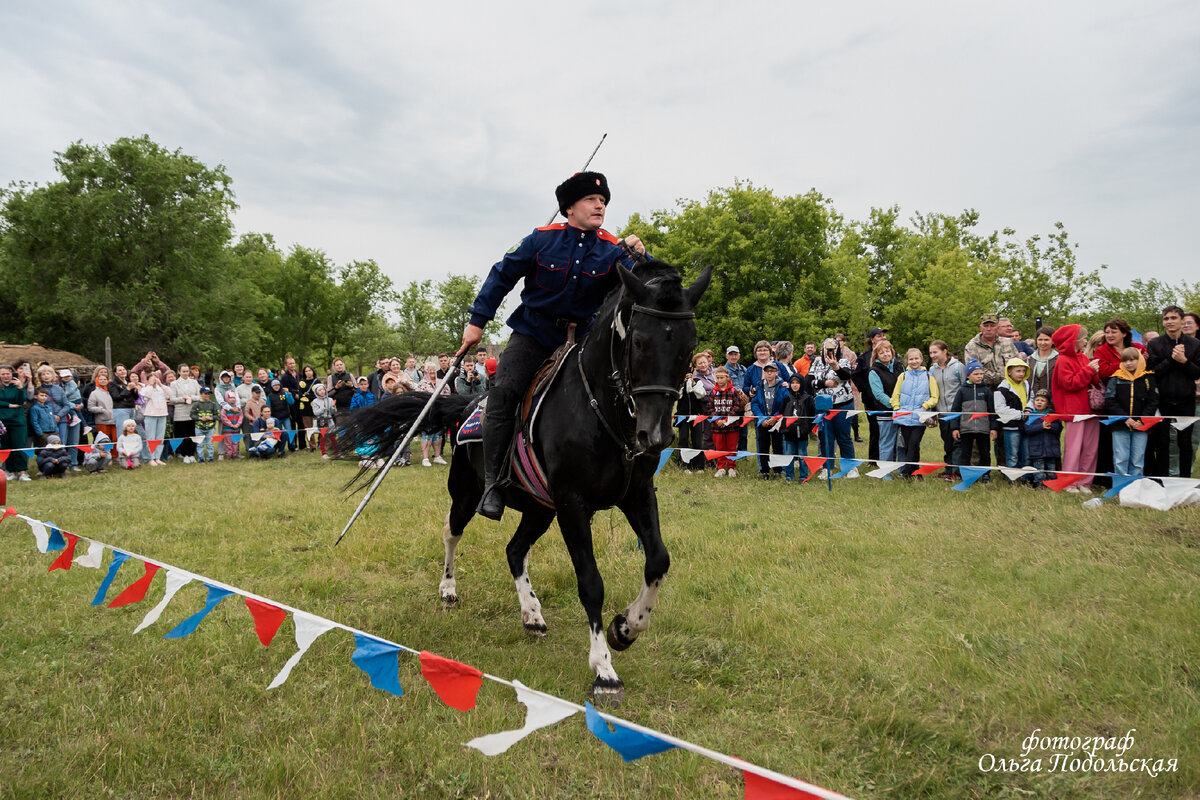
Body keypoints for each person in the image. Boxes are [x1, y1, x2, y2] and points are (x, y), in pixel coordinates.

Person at [459, 171, 645, 520]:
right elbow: (502, 275)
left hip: (584, 341)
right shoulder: (541, 240)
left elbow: (641, 287)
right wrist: (476, 322)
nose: (599, 205)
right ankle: (493, 484)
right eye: (591, 200)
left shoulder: (612, 249)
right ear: (569, 207)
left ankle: (623, 475)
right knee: (504, 393)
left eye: (603, 201)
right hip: (533, 335)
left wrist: (640, 256)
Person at [1144, 305, 1200, 478]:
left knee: (1185, 441)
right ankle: (1163, 478)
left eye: (1173, 318)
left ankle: (1184, 479)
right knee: (1162, 442)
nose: (1169, 322)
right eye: (1166, 318)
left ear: (1182, 321)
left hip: (1186, 400)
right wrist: (1171, 360)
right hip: (1163, 400)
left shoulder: (1195, 344)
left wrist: (1184, 361)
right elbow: (1151, 372)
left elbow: (1198, 372)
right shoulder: (1155, 343)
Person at [1051, 324, 1101, 492]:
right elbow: (1069, 384)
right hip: (1074, 411)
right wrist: (1089, 371)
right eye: (1084, 338)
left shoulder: (1083, 357)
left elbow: (1091, 381)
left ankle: (1084, 481)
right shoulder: (1062, 360)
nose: (1086, 341)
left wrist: (1094, 372)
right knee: (1074, 448)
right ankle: (1069, 482)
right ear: (1074, 341)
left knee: (1090, 448)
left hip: (1090, 410)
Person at [1105, 348, 1158, 478]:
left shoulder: (1148, 378)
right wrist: (1125, 418)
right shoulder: (1116, 378)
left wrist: (1141, 420)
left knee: (1138, 459)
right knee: (1120, 457)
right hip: (1119, 424)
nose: (1128, 363)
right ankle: (1120, 486)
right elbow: (1110, 400)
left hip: (1141, 425)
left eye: (1132, 360)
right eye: (1125, 360)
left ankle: (1135, 487)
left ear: (1139, 360)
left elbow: (1153, 401)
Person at [809, 337, 857, 478]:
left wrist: (836, 366)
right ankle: (827, 467)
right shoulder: (816, 363)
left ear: (837, 349)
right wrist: (825, 383)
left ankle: (851, 468)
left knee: (844, 436)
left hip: (842, 404)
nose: (829, 351)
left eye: (833, 348)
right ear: (822, 349)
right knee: (825, 437)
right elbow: (808, 381)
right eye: (827, 348)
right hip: (823, 406)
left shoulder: (843, 361)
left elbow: (846, 375)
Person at [891, 347, 939, 478]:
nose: (914, 361)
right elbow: (896, 395)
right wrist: (897, 409)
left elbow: (934, 397)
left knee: (914, 443)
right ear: (907, 360)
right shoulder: (903, 376)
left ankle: (906, 470)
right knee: (908, 445)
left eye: (916, 358)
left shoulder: (929, 376)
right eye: (911, 359)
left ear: (921, 359)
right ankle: (916, 472)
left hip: (920, 417)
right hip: (904, 416)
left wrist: (925, 405)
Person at [951, 359, 998, 478]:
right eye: (976, 374)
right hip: (966, 428)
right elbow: (955, 410)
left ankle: (985, 474)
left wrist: (993, 427)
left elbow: (992, 411)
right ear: (968, 375)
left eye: (981, 374)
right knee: (965, 453)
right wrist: (955, 428)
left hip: (983, 428)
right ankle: (965, 475)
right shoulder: (962, 391)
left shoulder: (986, 391)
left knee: (985, 453)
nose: (979, 376)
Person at [852, 327, 890, 461]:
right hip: (871, 400)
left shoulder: (891, 354)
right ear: (872, 339)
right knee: (875, 429)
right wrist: (866, 389)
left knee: (890, 430)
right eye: (879, 336)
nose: (883, 337)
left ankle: (890, 458)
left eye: (884, 335)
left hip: (890, 399)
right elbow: (856, 375)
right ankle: (874, 459)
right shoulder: (863, 357)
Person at [928, 341, 965, 478]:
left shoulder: (958, 367)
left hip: (956, 412)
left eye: (935, 352)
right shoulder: (932, 370)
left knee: (957, 442)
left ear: (944, 351)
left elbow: (964, 386)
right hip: (942, 412)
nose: (932, 355)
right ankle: (948, 469)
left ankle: (957, 471)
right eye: (931, 352)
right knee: (947, 442)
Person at [750, 362, 789, 479]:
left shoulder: (782, 387)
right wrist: (761, 418)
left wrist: (775, 418)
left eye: (772, 371)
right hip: (763, 420)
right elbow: (755, 403)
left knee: (778, 446)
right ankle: (764, 470)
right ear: (764, 373)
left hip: (777, 421)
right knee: (763, 446)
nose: (770, 373)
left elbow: (785, 403)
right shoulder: (759, 385)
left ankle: (778, 470)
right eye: (767, 371)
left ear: (777, 372)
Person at [993, 357, 1031, 478]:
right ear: (1009, 372)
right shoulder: (1002, 389)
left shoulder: (1026, 384)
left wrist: (1028, 409)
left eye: (1023, 371)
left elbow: (1032, 398)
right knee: (1012, 455)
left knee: (1026, 454)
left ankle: (1025, 478)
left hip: (1026, 425)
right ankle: (1012, 478)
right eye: (1018, 371)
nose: (1021, 374)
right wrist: (1020, 414)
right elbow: (1000, 409)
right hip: (1010, 427)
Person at [708, 366, 748, 477]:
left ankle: (731, 467)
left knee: (731, 447)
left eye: (722, 377)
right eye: (717, 378)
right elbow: (710, 408)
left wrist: (726, 420)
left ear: (727, 378)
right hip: (717, 426)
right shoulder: (713, 392)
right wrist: (718, 420)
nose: (719, 380)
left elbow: (736, 406)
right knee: (719, 447)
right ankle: (720, 467)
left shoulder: (734, 391)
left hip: (732, 425)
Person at [866, 340, 901, 469]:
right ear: (877, 356)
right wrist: (895, 406)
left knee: (900, 443)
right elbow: (879, 394)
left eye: (887, 351)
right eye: (882, 353)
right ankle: (886, 471)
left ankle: (899, 468)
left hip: (901, 411)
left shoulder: (899, 366)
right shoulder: (874, 371)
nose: (885, 354)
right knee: (887, 442)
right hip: (885, 411)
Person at [677, 352, 713, 472]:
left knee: (697, 440)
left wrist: (692, 382)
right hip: (682, 415)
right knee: (683, 439)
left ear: (692, 369)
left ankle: (699, 465)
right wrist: (682, 383)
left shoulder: (698, 381)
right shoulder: (678, 383)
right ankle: (683, 465)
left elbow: (700, 394)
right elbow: (678, 396)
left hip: (697, 415)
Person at [779, 371, 814, 482]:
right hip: (789, 432)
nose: (794, 385)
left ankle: (804, 477)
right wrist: (784, 428)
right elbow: (781, 413)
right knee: (788, 455)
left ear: (801, 384)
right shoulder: (787, 398)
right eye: (792, 382)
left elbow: (812, 415)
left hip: (802, 432)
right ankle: (789, 477)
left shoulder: (808, 398)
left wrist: (807, 429)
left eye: (797, 382)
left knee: (803, 456)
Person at [1023, 390, 1062, 487]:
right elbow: (1027, 429)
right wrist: (1041, 426)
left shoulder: (1053, 415)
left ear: (1048, 403)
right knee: (1038, 469)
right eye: (1037, 400)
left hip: (1051, 449)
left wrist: (1050, 426)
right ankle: (1039, 483)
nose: (1039, 402)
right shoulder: (1031, 416)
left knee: (1051, 469)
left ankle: (1051, 483)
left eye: (1043, 400)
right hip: (1037, 450)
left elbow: (1059, 428)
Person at [0, 365, 32, 481]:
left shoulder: (17, 385)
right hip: (3, 421)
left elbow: (20, 401)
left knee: (19, 446)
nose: (5, 376)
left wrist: (20, 388)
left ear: (12, 374)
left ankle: (22, 472)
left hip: (18, 420)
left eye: (7, 373)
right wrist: (8, 405)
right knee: (6, 446)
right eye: (3, 374)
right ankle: (10, 471)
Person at [416, 362, 450, 466]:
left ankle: (437, 456)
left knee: (438, 434)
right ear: (426, 371)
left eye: (433, 369)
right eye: (429, 369)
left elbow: (447, 393)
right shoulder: (422, 383)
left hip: (439, 412)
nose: (432, 371)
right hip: (428, 413)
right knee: (427, 434)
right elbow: (418, 397)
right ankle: (425, 458)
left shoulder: (442, 382)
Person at [169, 362, 201, 463]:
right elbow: (172, 399)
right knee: (182, 434)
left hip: (192, 412)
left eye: (187, 371)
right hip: (180, 413)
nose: (186, 373)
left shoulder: (194, 382)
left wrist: (191, 398)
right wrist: (183, 399)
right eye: (183, 371)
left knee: (192, 433)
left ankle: (191, 454)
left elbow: (200, 396)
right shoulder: (174, 384)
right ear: (179, 372)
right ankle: (184, 454)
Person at [139, 373, 170, 466]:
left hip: (162, 414)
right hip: (151, 415)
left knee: (160, 437)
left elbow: (169, 395)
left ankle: (157, 457)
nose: (155, 380)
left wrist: (160, 385)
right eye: (152, 379)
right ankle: (151, 458)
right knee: (151, 437)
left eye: (156, 378)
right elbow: (145, 396)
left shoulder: (162, 388)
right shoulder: (145, 389)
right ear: (148, 380)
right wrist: (151, 385)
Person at [191, 385, 220, 463]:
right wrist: (200, 418)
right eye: (205, 393)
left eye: (208, 394)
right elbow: (192, 415)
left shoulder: (213, 404)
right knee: (200, 444)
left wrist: (211, 418)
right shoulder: (196, 404)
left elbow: (218, 415)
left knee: (210, 444)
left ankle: (210, 458)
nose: (207, 395)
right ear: (201, 394)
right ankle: (201, 458)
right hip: (199, 427)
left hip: (210, 428)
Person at [87, 366, 116, 441]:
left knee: (116, 439)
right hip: (102, 420)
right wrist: (102, 410)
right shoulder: (94, 393)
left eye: (105, 379)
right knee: (104, 440)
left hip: (114, 419)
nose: (103, 381)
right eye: (101, 379)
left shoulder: (113, 390)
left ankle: (114, 453)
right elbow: (90, 407)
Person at [310, 382, 335, 457]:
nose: (322, 391)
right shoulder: (315, 401)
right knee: (322, 438)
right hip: (321, 421)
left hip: (329, 420)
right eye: (319, 390)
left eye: (323, 389)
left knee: (333, 437)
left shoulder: (330, 399)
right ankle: (323, 453)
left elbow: (333, 412)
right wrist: (323, 407)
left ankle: (337, 453)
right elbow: (316, 413)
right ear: (316, 392)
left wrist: (333, 407)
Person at [219, 390, 243, 460]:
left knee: (235, 442)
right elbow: (224, 418)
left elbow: (241, 417)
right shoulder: (224, 409)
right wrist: (231, 425)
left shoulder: (238, 408)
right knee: (228, 443)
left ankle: (235, 454)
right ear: (227, 399)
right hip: (228, 429)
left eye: (234, 398)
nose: (232, 399)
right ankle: (229, 455)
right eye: (230, 398)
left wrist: (238, 425)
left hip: (237, 429)